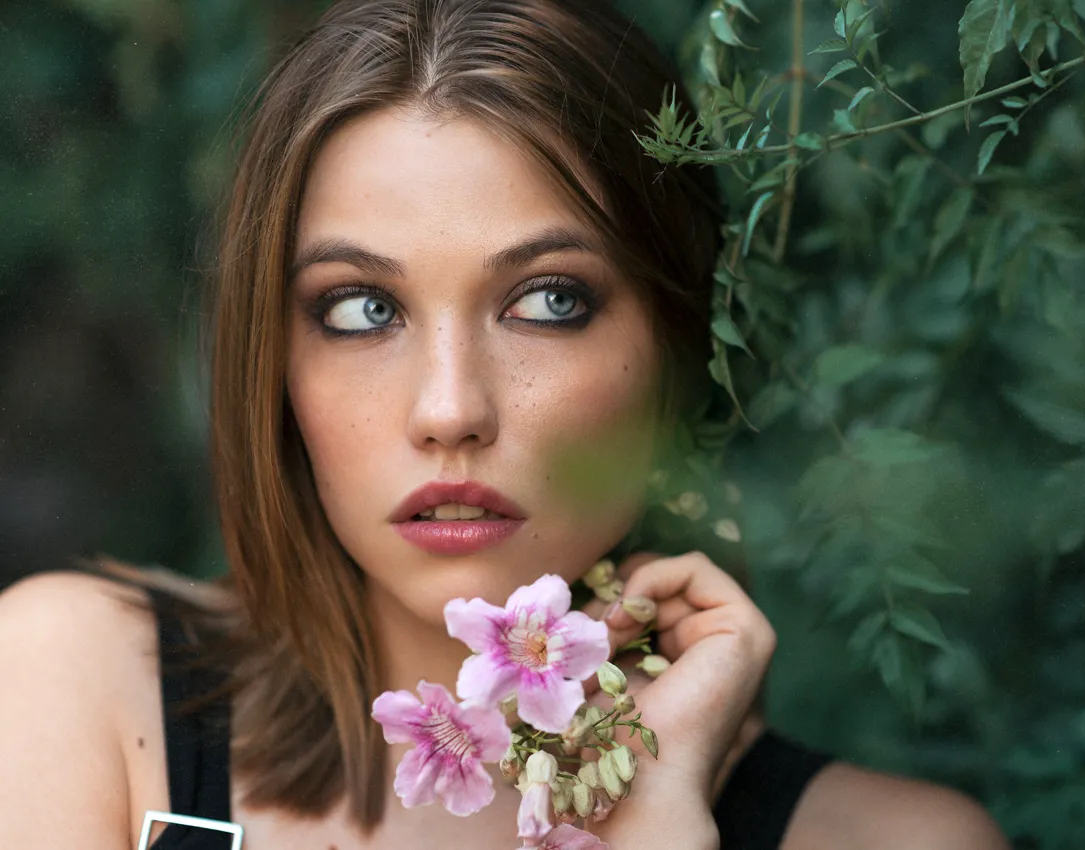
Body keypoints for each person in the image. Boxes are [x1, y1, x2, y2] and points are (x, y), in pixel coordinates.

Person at [0, 1, 1010, 848]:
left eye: (550, 302)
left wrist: (658, 822)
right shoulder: (75, 691)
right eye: (361, 309)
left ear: (677, 346)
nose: (450, 411)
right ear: (274, 365)